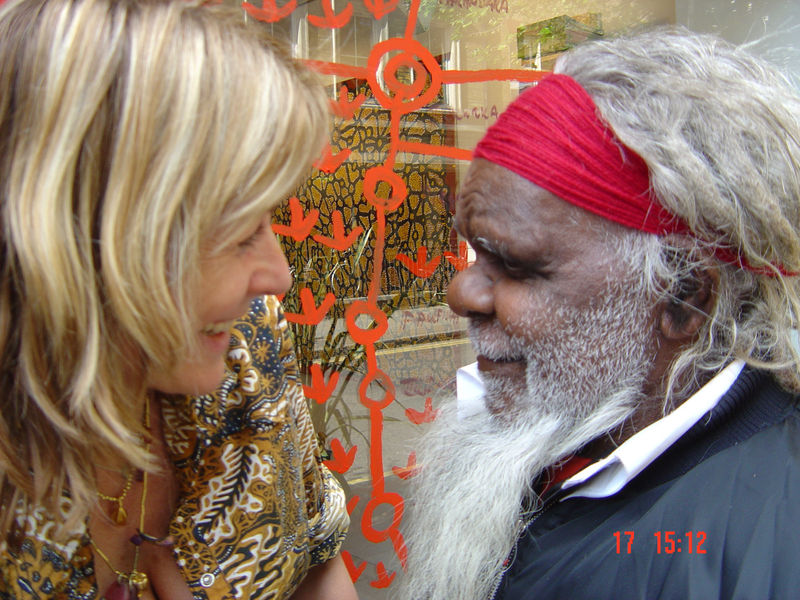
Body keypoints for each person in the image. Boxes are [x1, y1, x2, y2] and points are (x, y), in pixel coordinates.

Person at [397, 27, 800, 600]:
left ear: (684, 299)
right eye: (473, 250)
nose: (462, 293)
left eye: (514, 264)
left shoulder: (765, 549)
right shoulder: (575, 421)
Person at [0, 1, 358, 599]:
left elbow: (316, 566)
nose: (279, 276)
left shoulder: (246, 347)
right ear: (77, 236)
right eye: (239, 228)